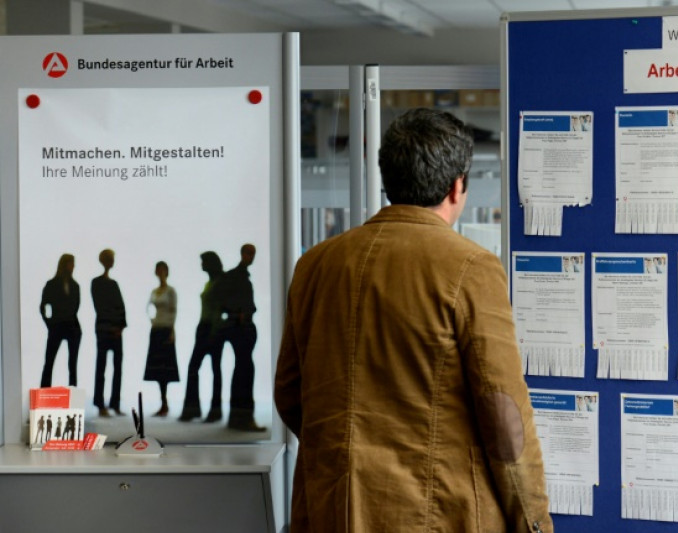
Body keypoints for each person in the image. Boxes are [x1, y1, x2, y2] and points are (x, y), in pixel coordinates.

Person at [275, 108, 553, 532]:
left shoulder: (316, 264)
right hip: (437, 512)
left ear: (388, 181)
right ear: (458, 185)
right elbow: (503, 416)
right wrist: (534, 523)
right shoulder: (471, 267)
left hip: (331, 509)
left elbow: (291, 395)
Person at [219, 244, 264, 432]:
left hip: (242, 328)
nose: (251, 257)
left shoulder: (239, 277)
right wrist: (239, 314)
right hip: (241, 329)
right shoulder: (236, 277)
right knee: (244, 371)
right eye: (249, 253)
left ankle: (239, 418)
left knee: (243, 371)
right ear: (243, 254)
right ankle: (243, 418)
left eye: (253, 253)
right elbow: (226, 304)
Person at [179, 252, 226, 423]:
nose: (201, 265)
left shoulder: (220, 282)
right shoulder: (210, 283)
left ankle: (213, 410)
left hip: (213, 328)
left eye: (203, 262)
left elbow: (220, 308)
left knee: (212, 369)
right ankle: (196, 409)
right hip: (204, 327)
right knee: (203, 368)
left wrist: (214, 330)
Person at [91, 249, 127, 417]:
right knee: (102, 367)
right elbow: (101, 307)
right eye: (110, 258)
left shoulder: (113, 284)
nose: (112, 261)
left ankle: (115, 403)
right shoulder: (96, 283)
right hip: (104, 331)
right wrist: (112, 327)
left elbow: (121, 308)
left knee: (117, 367)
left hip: (115, 332)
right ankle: (100, 404)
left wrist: (119, 327)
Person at [39, 254, 82, 388]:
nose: (73, 266)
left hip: (72, 327)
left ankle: (73, 397)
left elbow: (76, 306)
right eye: (71, 263)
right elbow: (43, 306)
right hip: (57, 327)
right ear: (65, 264)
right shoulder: (52, 284)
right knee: (49, 362)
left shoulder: (75, 285)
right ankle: (45, 396)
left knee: (72, 364)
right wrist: (50, 323)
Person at [143, 261, 180, 417]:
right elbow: (148, 308)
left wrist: (172, 330)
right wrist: (152, 320)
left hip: (166, 329)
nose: (160, 272)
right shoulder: (154, 291)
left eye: (162, 270)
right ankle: (162, 401)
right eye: (158, 270)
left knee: (165, 368)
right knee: (157, 368)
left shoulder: (170, 291)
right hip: (156, 329)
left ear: (167, 271)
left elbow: (174, 312)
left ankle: (165, 403)